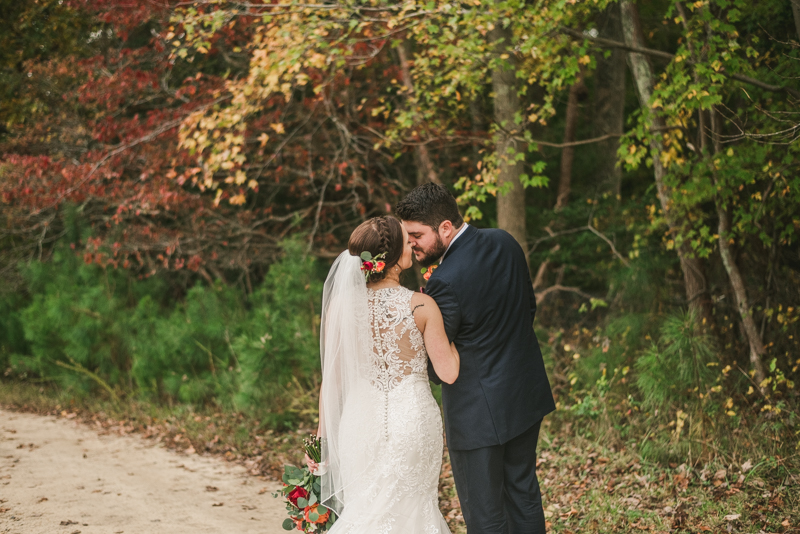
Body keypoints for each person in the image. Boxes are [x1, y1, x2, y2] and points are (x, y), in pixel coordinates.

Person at [396, 183, 556, 534]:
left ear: (445, 228)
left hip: (477, 414)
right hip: (525, 393)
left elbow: (439, 366)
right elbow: (527, 308)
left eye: (416, 235)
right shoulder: (505, 241)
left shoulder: (444, 282)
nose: (411, 245)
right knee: (523, 494)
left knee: (485, 515)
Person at [311, 215, 460, 534]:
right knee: (413, 512)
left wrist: (321, 439)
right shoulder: (421, 305)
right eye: (407, 241)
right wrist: (461, 336)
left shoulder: (340, 306)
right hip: (413, 422)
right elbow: (448, 371)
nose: (412, 245)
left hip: (359, 423)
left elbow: (332, 381)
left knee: (366, 509)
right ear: (392, 258)